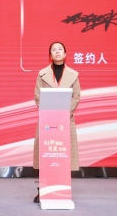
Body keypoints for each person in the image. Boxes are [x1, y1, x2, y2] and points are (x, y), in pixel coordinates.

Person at [32, 41, 81, 203]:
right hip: (47, 121)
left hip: (66, 120)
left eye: (60, 49)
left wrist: (64, 114)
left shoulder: (73, 75)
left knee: (63, 155)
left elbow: (76, 97)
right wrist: (51, 114)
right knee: (46, 155)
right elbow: (37, 97)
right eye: (54, 49)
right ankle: (43, 190)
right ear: (50, 55)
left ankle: (62, 188)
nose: (57, 51)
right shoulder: (42, 74)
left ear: (65, 54)